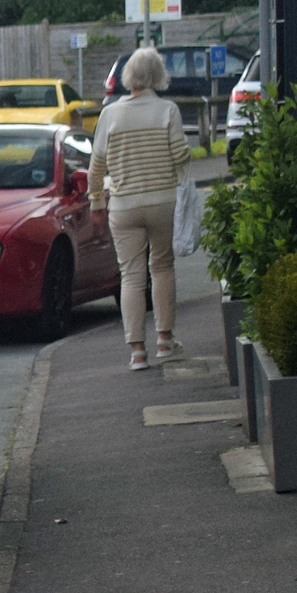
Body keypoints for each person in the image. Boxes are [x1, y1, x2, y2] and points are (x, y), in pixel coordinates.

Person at [92, 46, 188, 370]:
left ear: (127, 77)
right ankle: (165, 341)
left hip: (124, 205)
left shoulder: (110, 114)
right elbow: (181, 155)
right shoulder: (168, 111)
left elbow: (96, 166)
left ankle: (137, 352)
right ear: (157, 76)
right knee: (162, 267)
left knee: (131, 277)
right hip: (162, 200)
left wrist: (95, 202)